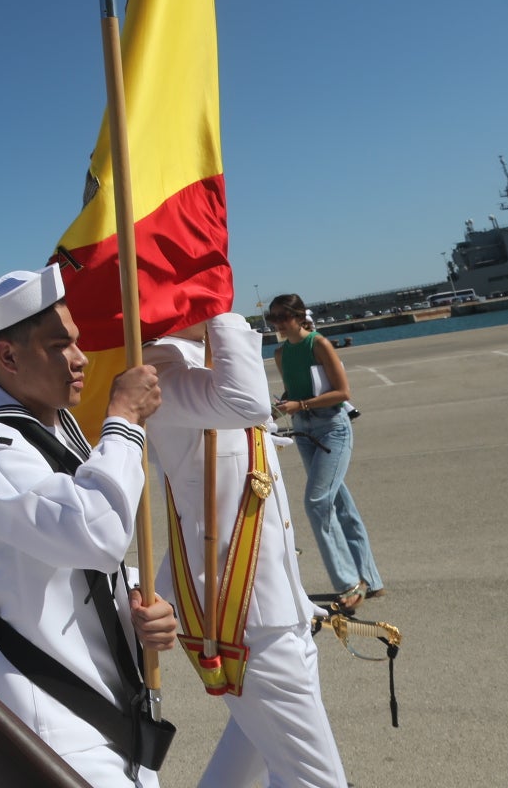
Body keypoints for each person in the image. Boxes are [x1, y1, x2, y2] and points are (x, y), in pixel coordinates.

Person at [0, 267, 177, 788]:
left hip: (108, 702)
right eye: (60, 346)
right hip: (55, 718)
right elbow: (95, 533)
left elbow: (79, 564)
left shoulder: (51, 422)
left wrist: (139, 606)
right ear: (7, 357)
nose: (80, 359)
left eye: (75, 342)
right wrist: (123, 421)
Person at [142, 308, 348, 788]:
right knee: (315, 779)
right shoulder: (159, 368)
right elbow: (248, 403)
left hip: (276, 604)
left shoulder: (202, 356)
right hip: (241, 615)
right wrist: (223, 319)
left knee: (251, 751)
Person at [267, 294, 383, 611]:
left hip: (333, 427)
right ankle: (371, 579)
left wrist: (300, 404)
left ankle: (349, 583)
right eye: (271, 317)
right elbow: (296, 390)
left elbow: (342, 392)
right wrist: (282, 408)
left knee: (317, 501)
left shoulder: (319, 344)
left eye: (280, 316)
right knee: (339, 502)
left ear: (296, 315)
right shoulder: (281, 353)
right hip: (305, 432)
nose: (275, 322)